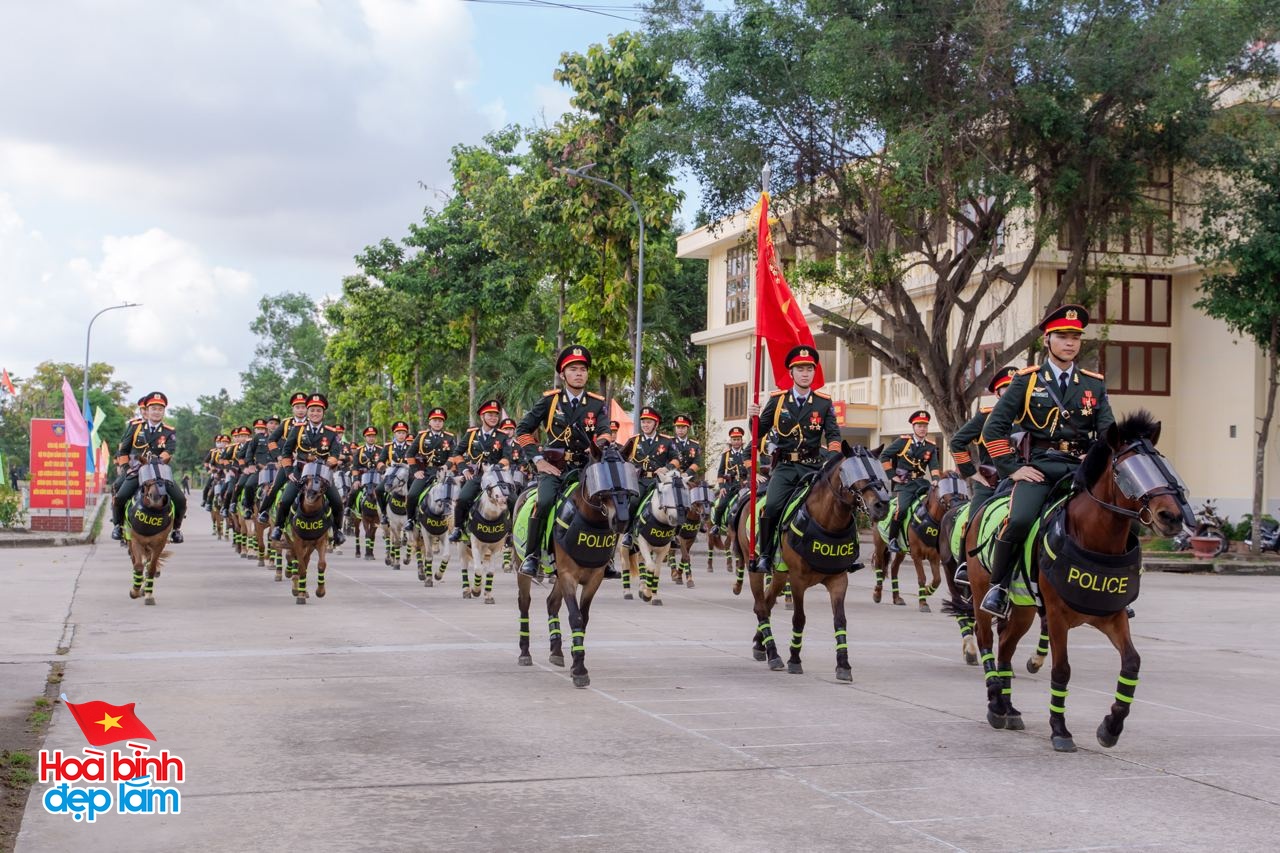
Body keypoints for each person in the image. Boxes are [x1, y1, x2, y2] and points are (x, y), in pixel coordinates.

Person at [979, 304, 1115, 618]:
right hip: (1039, 468)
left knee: (1118, 516)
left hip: (1080, 470)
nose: (1070, 343)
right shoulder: (1027, 381)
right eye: (1063, 336)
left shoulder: (1093, 384)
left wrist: (1097, 457)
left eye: (1076, 337)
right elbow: (993, 429)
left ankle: (1117, 585)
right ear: (1048, 340)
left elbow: (1109, 433)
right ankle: (998, 587)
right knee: (1020, 519)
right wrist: (1014, 469)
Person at [516, 344, 614, 581]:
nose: (579, 373)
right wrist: (538, 460)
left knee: (611, 500)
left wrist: (599, 445)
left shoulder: (596, 403)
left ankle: (607, 557)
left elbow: (605, 432)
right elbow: (523, 430)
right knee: (546, 500)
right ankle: (532, 556)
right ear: (563, 374)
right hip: (555, 467)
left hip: (586, 467)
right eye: (573, 369)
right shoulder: (550, 401)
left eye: (582, 369)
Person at [747, 346, 841, 573]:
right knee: (770, 506)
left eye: (809, 369)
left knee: (841, 501)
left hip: (814, 467)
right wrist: (752, 418)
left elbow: (833, 434)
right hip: (787, 468)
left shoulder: (823, 402)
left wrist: (833, 457)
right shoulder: (778, 400)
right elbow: (758, 433)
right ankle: (766, 555)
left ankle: (844, 556)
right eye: (800, 369)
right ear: (791, 373)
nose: (805, 373)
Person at [270, 393, 347, 545]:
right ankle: (278, 527)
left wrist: (328, 463)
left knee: (337, 502)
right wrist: (289, 472)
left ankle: (337, 531)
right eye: (312, 410)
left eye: (318, 410)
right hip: (301, 472)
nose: (315, 413)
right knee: (285, 500)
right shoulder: (298, 429)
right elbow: (286, 451)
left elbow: (335, 453)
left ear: (323, 412)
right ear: (307, 411)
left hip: (323, 474)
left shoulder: (331, 432)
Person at [110, 391, 187, 543]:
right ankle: (118, 526)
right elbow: (123, 450)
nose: (157, 412)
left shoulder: (169, 431)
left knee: (180, 499)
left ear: (164, 411)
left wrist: (158, 460)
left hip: (159, 470)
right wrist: (126, 469)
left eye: (160, 409)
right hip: (138, 470)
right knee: (120, 497)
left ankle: (176, 530)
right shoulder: (135, 427)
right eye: (153, 409)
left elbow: (169, 450)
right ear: (147, 410)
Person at [449, 400, 516, 540]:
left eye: (495, 415)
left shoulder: (502, 435)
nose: (493, 418)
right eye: (490, 415)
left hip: (497, 476)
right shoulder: (472, 434)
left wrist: (495, 467)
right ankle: (458, 529)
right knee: (463, 499)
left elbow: (507, 456)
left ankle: (511, 531)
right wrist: (464, 469)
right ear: (482, 417)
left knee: (512, 499)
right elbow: (457, 453)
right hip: (477, 475)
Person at [880, 410, 942, 552]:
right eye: (919, 426)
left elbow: (934, 466)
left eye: (925, 426)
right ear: (913, 427)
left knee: (937, 506)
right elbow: (884, 456)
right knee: (901, 510)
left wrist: (936, 480)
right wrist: (892, 476)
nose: (922, 429)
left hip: (922, 483)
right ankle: (893, 539)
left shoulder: (930, 446)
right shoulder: (903, 442)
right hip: (905, 484)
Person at [620, 406, 679, 551]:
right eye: (643, 422)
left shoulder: (666, 441)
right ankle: (628, 533)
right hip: (639, 481)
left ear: (656, 424)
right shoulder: (634, 440)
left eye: (649, 422)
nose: (645, 425)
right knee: (633, 502)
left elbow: (677, 460)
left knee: (674, 502)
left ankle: (673, 535)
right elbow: (622, 458)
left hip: (659, 481)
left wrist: (666, 468)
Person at [258, 393, 309, 523]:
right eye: (297, 407)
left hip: (307, 464)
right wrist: (279, 457)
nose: (301, 410)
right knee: (275, 486)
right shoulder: (286, 423)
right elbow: (271, 440)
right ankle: (264, 511)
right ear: (293, 409)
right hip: (288, 463)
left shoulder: (312, 423)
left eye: (303, 407)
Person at [404, 412, 454, 532]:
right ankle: (410, 520)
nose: (437, 423)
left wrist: (446, 466)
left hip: (443, 472)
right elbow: (409, 454)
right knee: (412, 495)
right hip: (425, 471)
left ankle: (456, 524)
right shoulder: (422, 436)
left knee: (456, 494)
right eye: (435, 420)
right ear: (430, 422)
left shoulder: (449, 437)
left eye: (440, 421)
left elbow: (453, 455)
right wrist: (415, 471)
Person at [712, 426, 750, 531]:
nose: (736, 442)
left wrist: (749, 479)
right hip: (730, 486)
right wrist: (722, 487)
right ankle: (717, 525)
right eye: (734, 439)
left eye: (738, 439)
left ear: (742, 441)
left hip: (744, 485)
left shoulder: (747, 453)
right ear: (731, 440)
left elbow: (751, 469)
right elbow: (720, 473)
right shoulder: (726, 455)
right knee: (721, 505)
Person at [669, 414, 702, 481]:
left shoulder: (695, 445)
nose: (680, 430)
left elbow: (697, 462)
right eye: (678, 427)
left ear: (688, 428)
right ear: (675, 428)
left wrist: (686, 474)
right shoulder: (669, 442)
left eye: (683, 427)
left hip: (689, 478)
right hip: (671, 477)